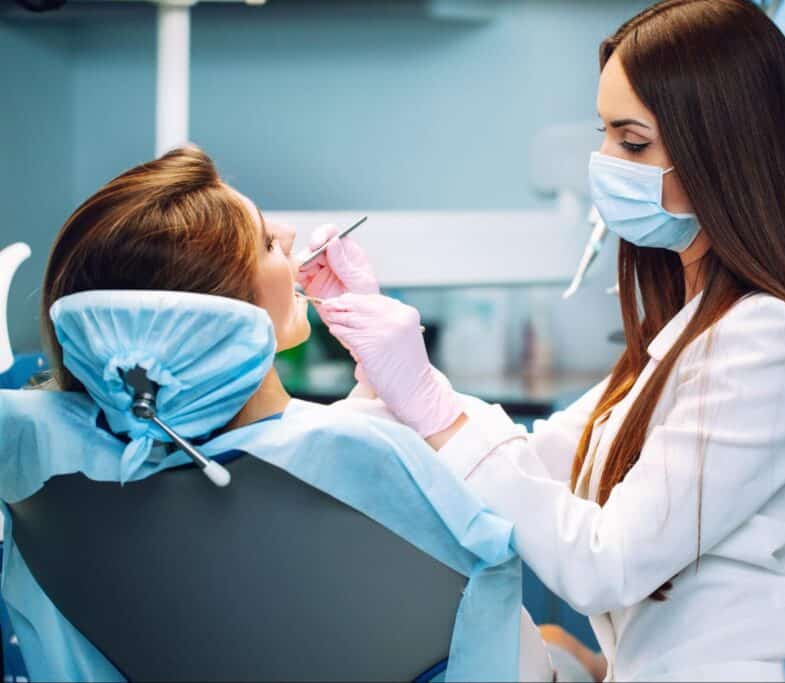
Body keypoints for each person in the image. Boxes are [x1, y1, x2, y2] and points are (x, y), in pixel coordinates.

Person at [299, 0, 785, 680]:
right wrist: (387, 374)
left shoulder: (767, 337)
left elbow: (603, 563)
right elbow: (539, 457)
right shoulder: (687, 329)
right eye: (605, 133)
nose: (604, 161)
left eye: (632, 142)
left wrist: (427, 398)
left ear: (720, 156)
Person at [1, 146, 553, 682]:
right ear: (222, 315)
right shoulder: (369, 453)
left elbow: (280, 456)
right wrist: (421, 395)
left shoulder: (42, 449)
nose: (288, 237)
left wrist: (372, 382)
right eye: (266, 242)